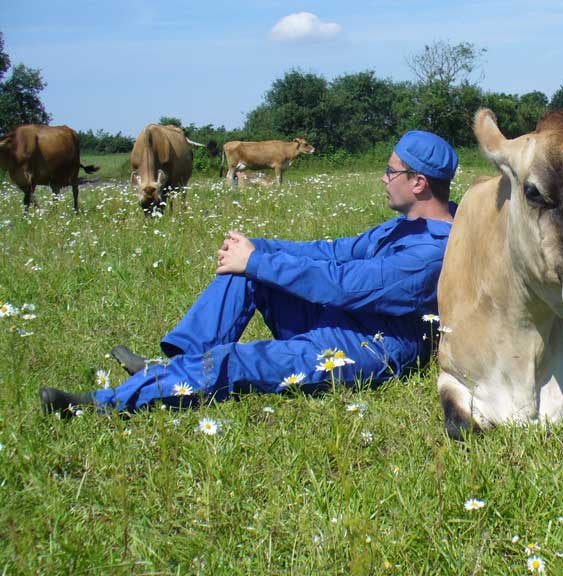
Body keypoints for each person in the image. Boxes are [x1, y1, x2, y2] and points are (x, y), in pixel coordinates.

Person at [39, 130, 459, 415]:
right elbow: (336, 252)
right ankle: (177, 369)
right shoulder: (407, 224)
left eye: (391, 171)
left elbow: (345, 285)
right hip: (341, 318)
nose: (383, 178)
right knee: (247, 273)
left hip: (368, 346)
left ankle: (102, 404)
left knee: (239, 360)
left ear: (418, 183)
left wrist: (257, 260)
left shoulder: (432, 251)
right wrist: (259, 249)